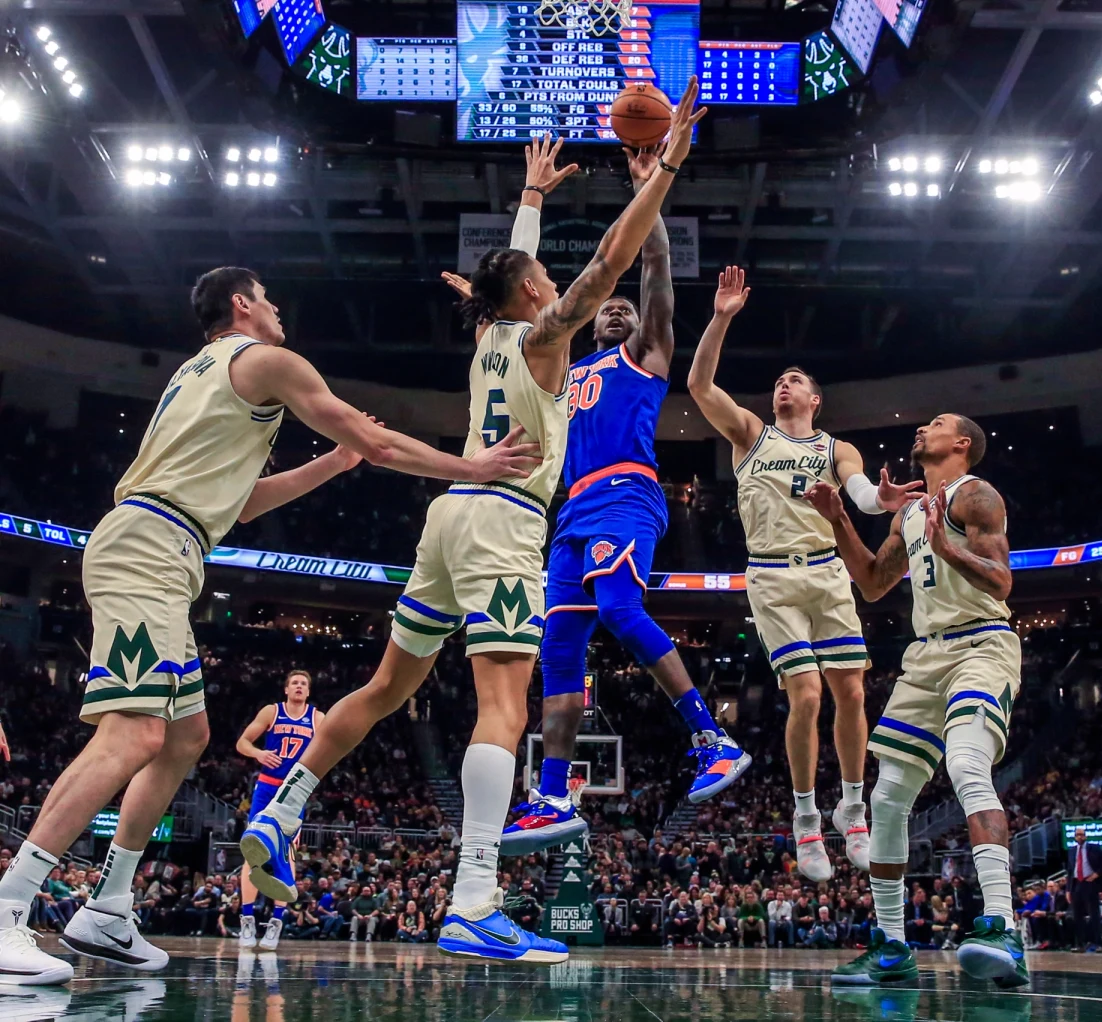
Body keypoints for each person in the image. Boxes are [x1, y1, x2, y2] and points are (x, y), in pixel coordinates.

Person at [241, 86, 707, 968]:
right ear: (534, 292)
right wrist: (667, 165)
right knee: (503, 704)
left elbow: (517, 270)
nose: (553, 282)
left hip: (446, 521)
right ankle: (474, 898)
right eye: (543, 279)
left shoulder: (494, 333)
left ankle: (286, 806)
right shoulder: (541, 337)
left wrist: (531, 198)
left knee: (385, 688)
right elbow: (610, 261)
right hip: (501, 519)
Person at [0, 268, 538, 986]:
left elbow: (241, 504)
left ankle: (109, 905)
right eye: (269, 298)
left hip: (169, 542)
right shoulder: (266, 359)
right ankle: (9, 907)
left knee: (187, 736)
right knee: (133, 735)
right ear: (242, 305)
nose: (280, 309)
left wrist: (335, 465)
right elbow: (377, 442)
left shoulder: (200, 373)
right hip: (148, 549)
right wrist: (470, 467)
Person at [500, 148, 750, 856]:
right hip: (571, 513)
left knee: (618, 608)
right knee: (559, 650)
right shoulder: (571, 366)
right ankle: (551, 793)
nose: (613, 310)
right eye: (605, 308)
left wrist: (650, 197)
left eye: (623, 309)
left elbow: (656, 275)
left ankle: (712, 738)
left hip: (626, 495)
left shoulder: (646, 356)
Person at [687, 267, 921, 881]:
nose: (782, 384)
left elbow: (864, 496)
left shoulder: (835, 448)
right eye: (778, 380)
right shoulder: (750, 436)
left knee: (849, 691)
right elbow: (699, 383)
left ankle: (853, 807)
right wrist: (722, 317)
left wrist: (884, 502)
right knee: (807, 693)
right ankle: (805, 818)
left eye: (794, 380)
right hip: (771, 578)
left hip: (826, 574)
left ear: (814, 400)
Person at [807, 414, 1027, 989]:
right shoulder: (908, 511)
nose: (921, 429)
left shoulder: (975, 495)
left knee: (967, 766)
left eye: (935, 424)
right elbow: (875, 582)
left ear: (961, 444)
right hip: (926, 656)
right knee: (887, 798)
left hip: (982, 642)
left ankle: (1002, 926)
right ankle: (891, 948)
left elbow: (1001, 581)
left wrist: (942, 547)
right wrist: (837, 522)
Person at [234, 669, 324, 951]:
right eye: (294, 683)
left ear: (308, 692)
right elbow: (242, 743)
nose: (299, 686)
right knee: (253, 850)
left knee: (286, 854)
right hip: (266, 788)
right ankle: (247, 919)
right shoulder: (272, 712)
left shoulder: (317, 718)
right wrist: (259, 753)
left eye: (304, 684)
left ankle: (276, 921)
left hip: (294, 792)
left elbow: (331, 749)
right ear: (286, 689)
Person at [1067, 827, 1102, 953]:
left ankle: (1099, 943)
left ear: (1086, 836)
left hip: (1090, 883)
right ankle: (1080, 944)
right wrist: (1068, 890)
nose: (1080, 837)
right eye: (1077, 835)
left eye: (1082, 835)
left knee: (1094, 915)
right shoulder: (1071, 851)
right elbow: (1070, 871)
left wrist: (1097, 874)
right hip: (1077, 883)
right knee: (1077, 915)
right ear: (1074, 837)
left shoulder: (1094, 848)